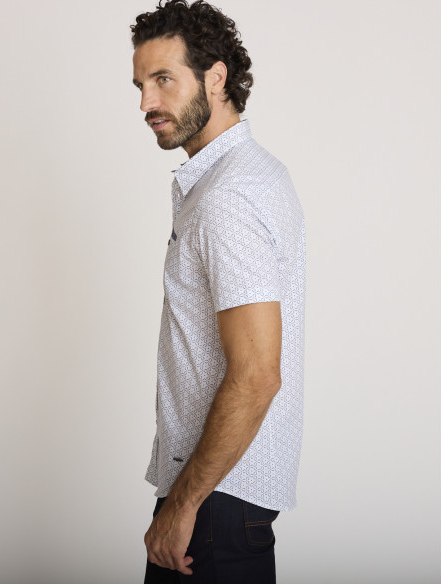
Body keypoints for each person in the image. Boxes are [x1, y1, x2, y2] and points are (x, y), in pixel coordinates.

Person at [130, 1, 306, 582]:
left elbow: (257, 375)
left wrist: (183, 505)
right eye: (140, 85)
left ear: (216, 77)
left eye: (163, 79)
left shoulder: (227, 197)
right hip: (220, 499)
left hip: (211, 505)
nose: (146, 103)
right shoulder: (252, 174)